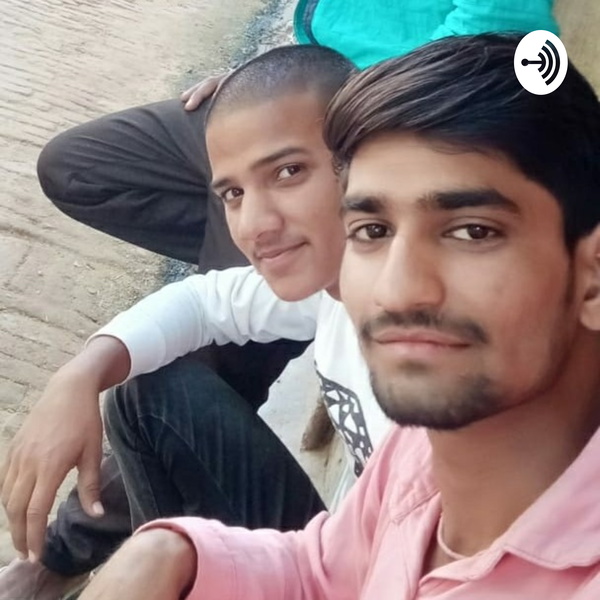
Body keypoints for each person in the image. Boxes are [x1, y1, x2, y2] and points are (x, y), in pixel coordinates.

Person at [0, 1, 560, 597]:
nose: (255, 226)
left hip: (371, 574)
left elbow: (506, 26)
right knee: (147, 391)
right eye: (233, 194)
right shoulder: (342, 288)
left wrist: (373, 105)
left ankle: (84, 552)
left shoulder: (450, 378)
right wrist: (79, 375)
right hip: (344, 545)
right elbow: (209, 300)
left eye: (288, 173)